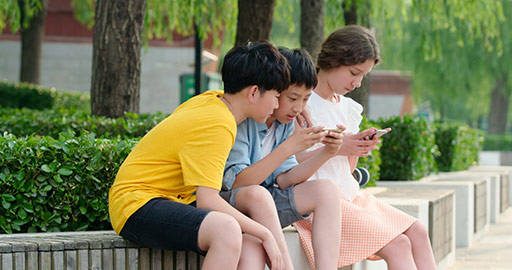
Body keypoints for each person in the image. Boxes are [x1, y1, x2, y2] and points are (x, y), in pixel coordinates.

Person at [108, 42, 293, 270]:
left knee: (252, 244)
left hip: (172, 199)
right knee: (226, 230)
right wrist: (266, 233)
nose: (277, 105)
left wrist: (260, 236)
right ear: (254, 92)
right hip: (137, 205)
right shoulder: (219, 123)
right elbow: (207, 200)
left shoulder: (213, 100)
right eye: (276, 96)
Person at [294, 25, 437, 270]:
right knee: (399, 244)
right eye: (354, 72)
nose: (357, 83)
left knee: (418, 231)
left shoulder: (348, 108)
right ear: (334, 59)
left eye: (363, 76)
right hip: (320, 203)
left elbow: (346, 173)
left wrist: (356, 148)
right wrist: (339, 147)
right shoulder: (302, 100)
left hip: (351, 196)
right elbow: (292, 160)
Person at [222, 47, 343, 270]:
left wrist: (327, 152)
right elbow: (237, 183)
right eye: (292, 98)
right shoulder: (244, 119)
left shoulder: (284, 123)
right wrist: (288, 148)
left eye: (306, 99)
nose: (298, 108)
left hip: (267, 202)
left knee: (328, 189)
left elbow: (285, 179)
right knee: (258, 196)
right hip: (235, 204)